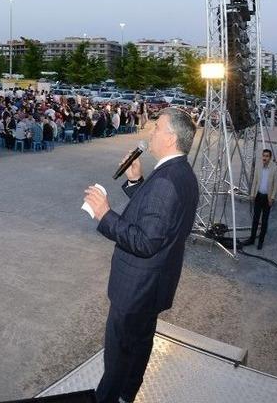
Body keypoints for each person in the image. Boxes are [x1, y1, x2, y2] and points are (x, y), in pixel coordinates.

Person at [82, 108, 199, 403]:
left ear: (171, 137)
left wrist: (104, 214)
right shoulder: (182, 173)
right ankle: (126, 395)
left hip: (136, 288)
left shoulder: (166, 181)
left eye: (156, 128)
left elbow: (146, 240)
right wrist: (136, 182)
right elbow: (160, 221)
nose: (151, 132)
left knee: (119, 356)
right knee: (138, 347)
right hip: (153, 286)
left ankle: (109, 398)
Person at [242, 149, 277, 250]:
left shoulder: (274, 169)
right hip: (258, 196)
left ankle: (261, 241)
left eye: (267, 156)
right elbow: (255, 181)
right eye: (263, 156)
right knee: (255, 219)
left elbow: (275, 185)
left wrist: (272, 198)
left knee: (264, 221)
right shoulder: (258, 167)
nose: (264, 158)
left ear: (270, 158)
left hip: (267, 198)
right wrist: (252, 194)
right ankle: (252, 239)